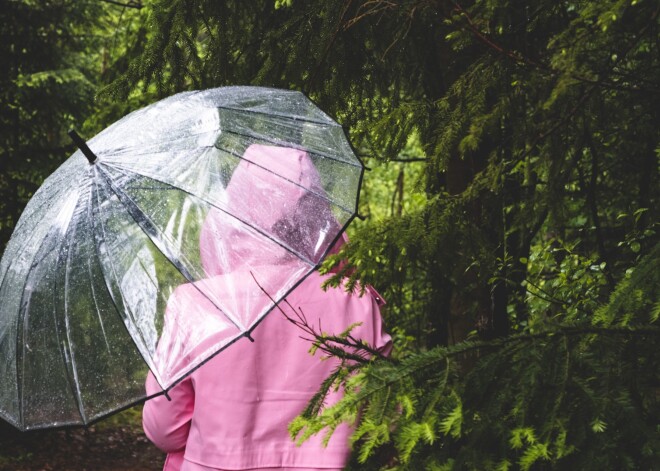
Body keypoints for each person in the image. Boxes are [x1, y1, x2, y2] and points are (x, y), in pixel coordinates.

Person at [142, 144, 391, 471]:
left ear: (237, 207)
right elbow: (381, 417)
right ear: (318, 212)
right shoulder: (356, 300)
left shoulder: (195, 305)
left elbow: (165, 431)